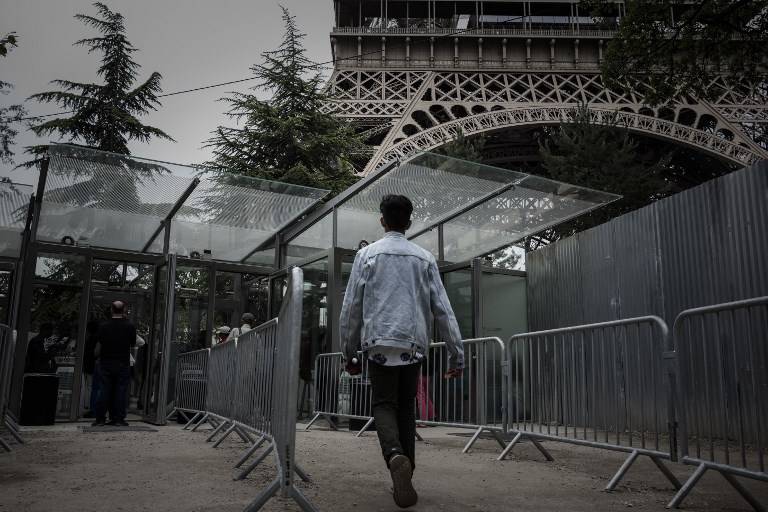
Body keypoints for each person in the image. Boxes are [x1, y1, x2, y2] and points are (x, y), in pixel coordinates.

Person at [339, 194, 464, 509]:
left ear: (382, 221)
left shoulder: (367, 255)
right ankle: (406, 466)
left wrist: (348, 351)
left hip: (379, 342)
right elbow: (443, 310)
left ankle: (394, 455)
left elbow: (351, 307)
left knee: (383, 403)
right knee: (406, 407)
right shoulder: (423, 258)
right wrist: (456, 354)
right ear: (409, 222)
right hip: (412, 343)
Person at [92, 301, 136, 427]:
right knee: (120, 391)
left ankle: (100, 418)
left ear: (111, 310)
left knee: (104, 389)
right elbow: (132, 343)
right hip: (122, 362)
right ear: (125, 310)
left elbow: (99, 344)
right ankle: (118, 419)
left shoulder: (103, 326)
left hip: (106, 361)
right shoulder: (129, 326)